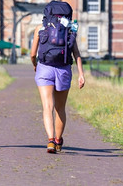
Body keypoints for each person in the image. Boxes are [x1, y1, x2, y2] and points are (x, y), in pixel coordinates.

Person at [30, 10, 85, 154]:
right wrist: (81, 74)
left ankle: (50, 141)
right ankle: (58, 140)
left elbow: (32, 54)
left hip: (44, 69)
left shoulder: (40, 28)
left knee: (47, 107)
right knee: (60, 108)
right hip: (63, 70)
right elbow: (76, 53)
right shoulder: (70, 29)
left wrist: (35, 64)